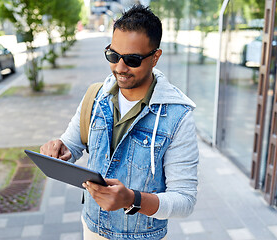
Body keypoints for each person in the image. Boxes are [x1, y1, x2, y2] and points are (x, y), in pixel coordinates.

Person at [40, 4, 199, 240]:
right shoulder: (95, 96)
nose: (119, 67)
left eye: (132, 59)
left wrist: (132, 200)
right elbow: (71, 145)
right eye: (113, 55)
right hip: (91, 228)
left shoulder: (178, 116)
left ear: (155, 57)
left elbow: (184, 201)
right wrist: (59, 149)